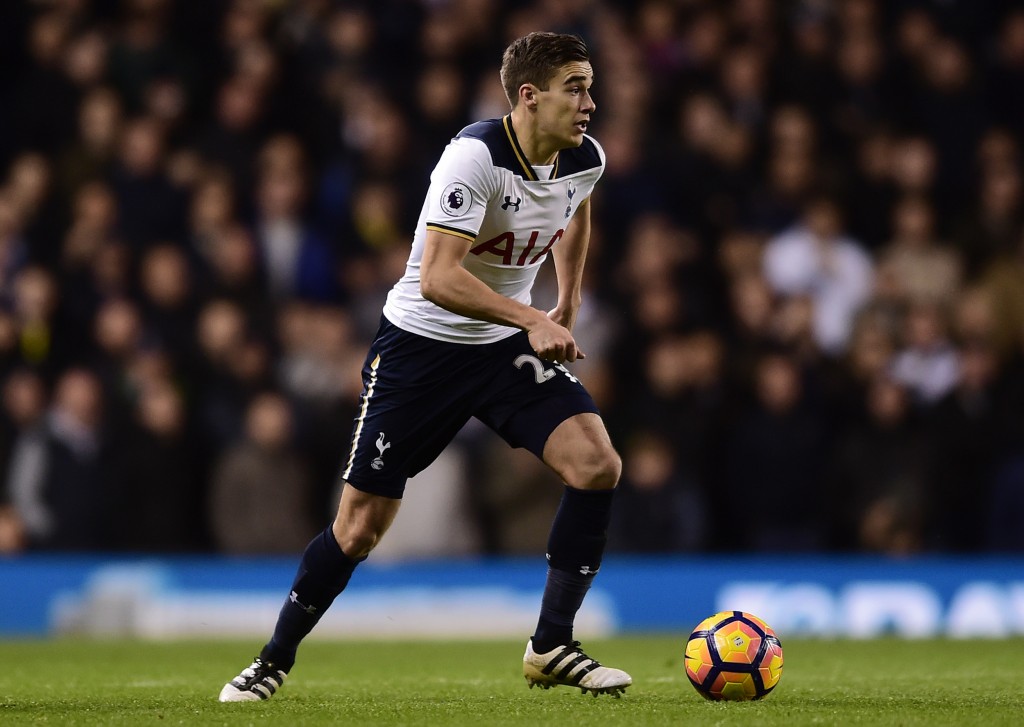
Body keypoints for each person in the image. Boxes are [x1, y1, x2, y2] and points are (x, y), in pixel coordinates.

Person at [218, 32, 631, 702]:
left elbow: (575, 211)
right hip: (422, 347)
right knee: (359, 528)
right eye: (575, 87)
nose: (590, 101)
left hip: (500, 345)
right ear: (529, 97)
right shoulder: (474, 158)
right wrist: (532, 317)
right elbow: (438, 278)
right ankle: (271, 658)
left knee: (597, 461)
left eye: (589, 85)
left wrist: (569, 302)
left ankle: (552, 642)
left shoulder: (585, 158)